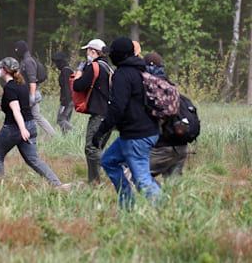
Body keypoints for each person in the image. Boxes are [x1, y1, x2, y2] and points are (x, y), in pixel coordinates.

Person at [0, 57, 67, 188]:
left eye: (0, 67)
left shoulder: (9, 88)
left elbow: (16, 110)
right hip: (30, 125)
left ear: (5, 70)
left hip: (14, 129)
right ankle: (57, 184)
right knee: (33, 160)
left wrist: (22, 129)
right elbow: (8, 107)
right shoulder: (22, 85)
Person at [92, 37, 161, 207]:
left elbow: (117, 108)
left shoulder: (123, 75)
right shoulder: (142, 70)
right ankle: (127, 204)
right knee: (109, 161)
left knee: (142, 179)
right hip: (146, 131)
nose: (110, 56)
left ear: (119, 55)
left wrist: (101, 131)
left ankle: (166, 212)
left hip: (136, 135)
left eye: (112, 53)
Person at [72, 38, 114, 184]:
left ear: (93, 51)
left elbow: (78, 86)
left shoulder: (94, 67)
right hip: (110, 114)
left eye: (88, 51)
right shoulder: (108, 68)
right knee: (98, 147)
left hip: (99, 114)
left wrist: (78, 73)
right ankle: (96, 180)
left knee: (91, 148)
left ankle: (96, 181)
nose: (86, 54)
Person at [144, 52, 189, 178]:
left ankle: (153, 196)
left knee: (136, 175)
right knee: (174, 190)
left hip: (163, 147)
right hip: (181, 146)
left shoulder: (151, 89)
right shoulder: (171, 87)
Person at [13, 41, 56, 138]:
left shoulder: (28, 62)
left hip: (31, 93)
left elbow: (32, 80)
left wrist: (32, 96)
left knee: (23, 115)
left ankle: (25, 136)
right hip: (29, 93)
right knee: (36, 116)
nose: (16, 52)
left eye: (17, 50)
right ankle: (52, 135)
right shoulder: (25, 60)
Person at [52, 51, 74, 134]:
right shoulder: (69, 70)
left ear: (59, 62)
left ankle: (75, 132)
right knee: (66, 120)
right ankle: (66, 137)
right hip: (71, 99)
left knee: (60, 120)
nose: (55, 65)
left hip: (67, 100)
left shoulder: (65, 71)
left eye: (56, 63)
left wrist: (65, 102)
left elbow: (66, 88)